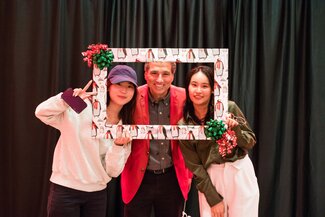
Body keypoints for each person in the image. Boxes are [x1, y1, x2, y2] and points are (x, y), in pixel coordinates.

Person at [35, 65, 138, 217]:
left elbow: (113, 172)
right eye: (119, 84)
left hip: (97, 195)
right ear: (108, 86)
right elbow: (41, 112)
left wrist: (118, 145)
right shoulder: (83, 105)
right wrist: (67, 98)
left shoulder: (126, 126)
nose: (124, 90)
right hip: (65, 190)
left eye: (129, 86)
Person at [178, 65, 259, 217]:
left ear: (213, 89)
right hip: (211, 178)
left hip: (239, 172)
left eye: (204, 86)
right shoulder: (184, 125)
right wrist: (213, 199)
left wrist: (235, 130)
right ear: (187, 87)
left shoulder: (228, 108)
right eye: (194, 85)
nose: (198, 90)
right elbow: (195, 167)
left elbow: (249, 142)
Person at [121, 62, 191, 217]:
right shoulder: (131, 96)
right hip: (138, 178)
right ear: (145, 74)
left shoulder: (186, 96)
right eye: (154, 73)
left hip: (173, 177)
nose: (159, 79)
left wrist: (189, 174)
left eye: (165, 74)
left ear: (173, 76)